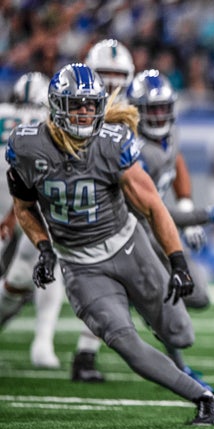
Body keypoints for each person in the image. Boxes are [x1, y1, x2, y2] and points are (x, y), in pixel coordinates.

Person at [6, 62, 214, 425]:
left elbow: (153, 205)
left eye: (91, 104)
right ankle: (205, 399)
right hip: (80, 265)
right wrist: (44, 247)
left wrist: (177, 261)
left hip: (128, 246)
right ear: (56, 105)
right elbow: (24, 207)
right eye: (75, 104)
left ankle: (142, 306)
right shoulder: (27, 146)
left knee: (180, 333)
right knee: (123, 342)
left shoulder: (112, 143)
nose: (84, 112)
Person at [126, 68, 214, 389]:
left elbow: (176, 163)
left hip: (162, 225)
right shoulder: (132, 150)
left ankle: (146, 306)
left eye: (164, 108)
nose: (160, 115)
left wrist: (188, 203)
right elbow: (152, 209)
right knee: (170, 310)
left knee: (199, 296)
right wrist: (204, 214)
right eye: (153, 110)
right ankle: (177, 367)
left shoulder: (169, 133)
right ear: (136, 111)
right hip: (137, 232)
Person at [69, 38, 140, 382]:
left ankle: (85, 353)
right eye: (104, 73)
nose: (111, 81)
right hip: (59, 203)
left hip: (103, 208)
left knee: (106, 281)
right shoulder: (68, 103)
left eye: (117, 74)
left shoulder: (132, 110)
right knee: (21, 274)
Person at [0, 72, 64, 369]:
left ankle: (43, 343)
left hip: (19, 205)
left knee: (25, 275)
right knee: (32, 273)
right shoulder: (48, 125)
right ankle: (43, 342)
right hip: (25, 204)